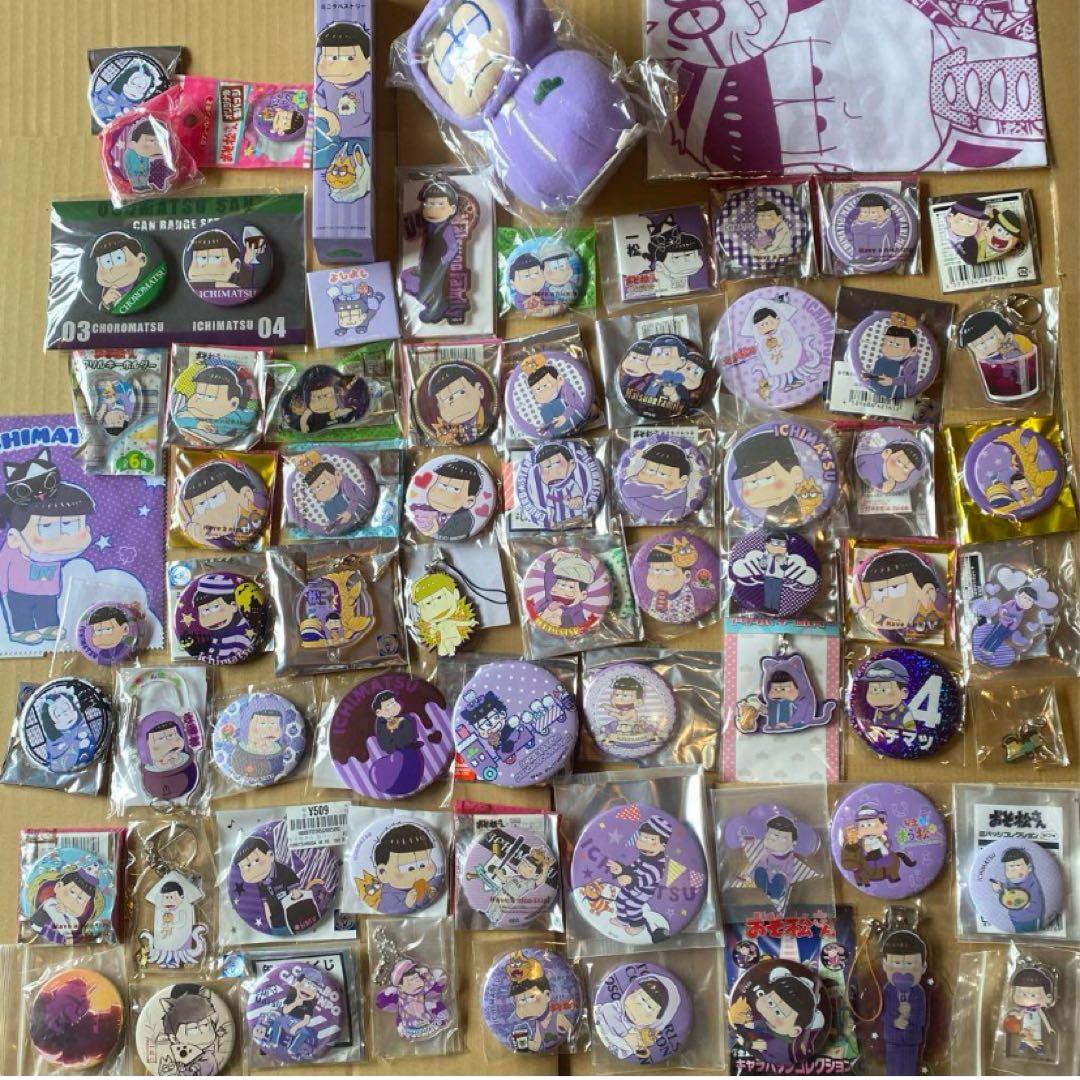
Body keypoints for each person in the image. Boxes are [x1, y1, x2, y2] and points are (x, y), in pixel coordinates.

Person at [881, 930, 928, 1075]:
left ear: (923, 967)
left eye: (909, 964)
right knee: (892, 1068)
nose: (902, 970)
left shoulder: (919, 992)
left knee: (909, 1068)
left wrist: (909, 1014)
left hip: (912, 1039)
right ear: (884, 965)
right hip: (892, 1038)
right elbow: (883, 1012)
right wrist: (894, 1021)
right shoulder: (887, 990)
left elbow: (921, 1018)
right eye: (896, 963)